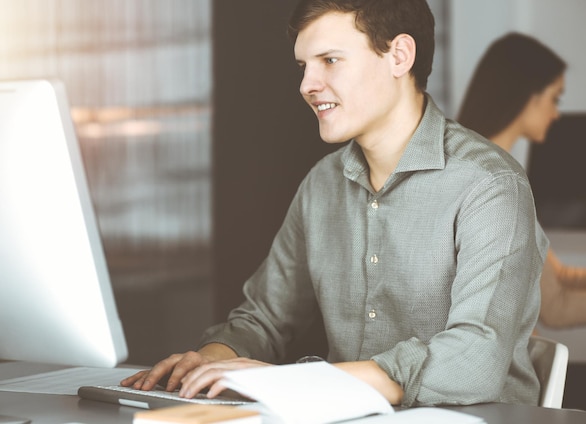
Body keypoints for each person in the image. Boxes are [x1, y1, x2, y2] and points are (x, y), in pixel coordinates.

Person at [122, 1, 548, 407]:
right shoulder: (323, 184)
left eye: (329, 60)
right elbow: (265, 318)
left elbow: (476, 357)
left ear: (399, 56)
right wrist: (211, 359)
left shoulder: (490, 185)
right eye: (303, 66)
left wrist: (301, 380)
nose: (307, 85)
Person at [457, 32, 586, 329]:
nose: (556, 113)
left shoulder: (479, 166)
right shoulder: (494, 184)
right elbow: (557, 307)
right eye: (554, 98)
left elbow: (558, 277)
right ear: (527, 95)